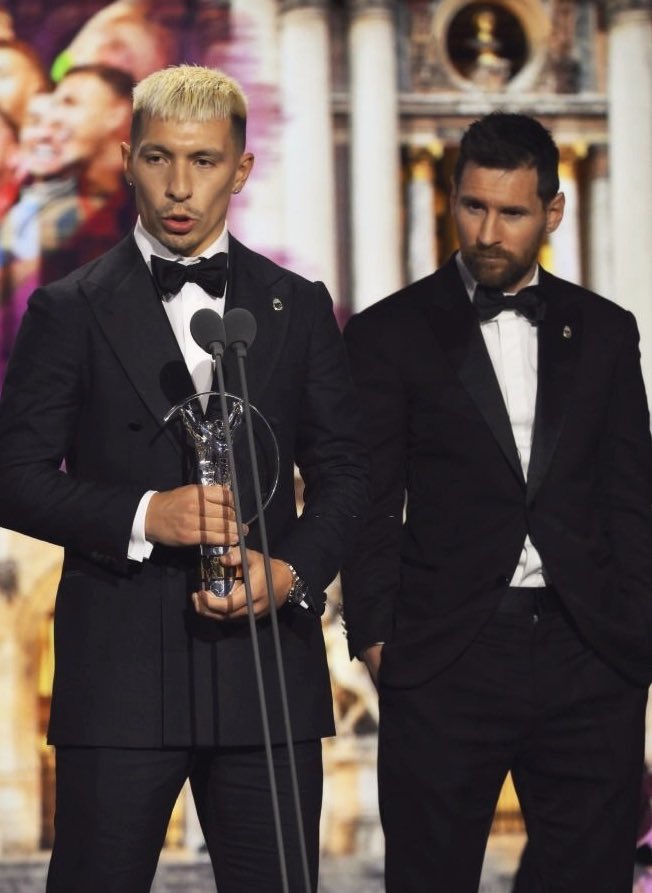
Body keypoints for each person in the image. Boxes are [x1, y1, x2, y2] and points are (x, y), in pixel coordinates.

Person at [0, 64, 367, 892]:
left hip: (266, 674)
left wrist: (292, 571)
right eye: (159, 158)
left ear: (240, 169)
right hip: (119, 676)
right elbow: (14, 475)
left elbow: (347, 471)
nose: (178, 186)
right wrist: (143, 514)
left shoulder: (298, 306)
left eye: (203, 162)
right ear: (127, 158)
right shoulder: (68, 308)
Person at [341, 112, 652, 892]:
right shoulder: (388, 333)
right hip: (446, 656)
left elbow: (631, 497)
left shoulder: (610, 333)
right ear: (453, 198)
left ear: (552, 211)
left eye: (511, 212)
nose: (488, 231)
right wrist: (379, 639)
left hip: (590, 654)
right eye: (473, 206)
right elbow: (369, 499)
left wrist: (633, 633)